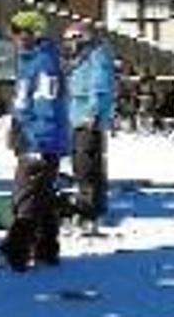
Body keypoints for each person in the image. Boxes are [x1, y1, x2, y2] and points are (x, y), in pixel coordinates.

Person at [0, 10, 69, 272]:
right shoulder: (30, 61)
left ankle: (16, 250)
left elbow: (47, 107)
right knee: (43, 196)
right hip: (29, 137)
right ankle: (46, 248)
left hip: (40, 141)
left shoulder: (44, 65)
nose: (14, 38)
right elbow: (23, 103)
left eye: (18, 32)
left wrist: (37, 143)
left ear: (33, 34)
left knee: (25, 197)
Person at [63, 21, 115, 233]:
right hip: (75, 118)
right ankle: (90, 208)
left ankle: (90, 213)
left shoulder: (96, 55)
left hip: (87, 120)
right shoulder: (78, 59)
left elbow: (100, 86)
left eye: (71, 40)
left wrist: (92, 113)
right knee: (79, 165)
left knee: (87, 167)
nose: (69, 46)